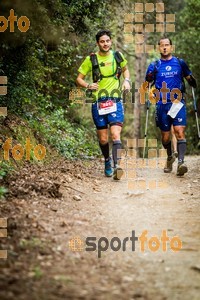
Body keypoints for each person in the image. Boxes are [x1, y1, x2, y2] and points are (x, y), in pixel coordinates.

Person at [76, 29, 131, 180]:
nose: (105, 44)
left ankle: (117, 166)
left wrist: (126, 81)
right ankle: (107, 161)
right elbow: (78, 78)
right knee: (103, 139)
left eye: (107, 41)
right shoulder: (91, 59)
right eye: (102, 41)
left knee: (115, 134)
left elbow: (126, 71)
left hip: (115, 100)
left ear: (111, 41)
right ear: (97, 43)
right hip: (98, 102)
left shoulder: (117, 56)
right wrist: (88, 85)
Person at [145, 37, 197, 176]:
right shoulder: (155, 65)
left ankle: (181, 162)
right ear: (159, 48)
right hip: (162, 104)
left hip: (178, 103)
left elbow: (189, 77)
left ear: (171, 47)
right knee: (166, 138)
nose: (165, 47)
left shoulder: (180, 63)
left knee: (179, 132)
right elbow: (148, 81)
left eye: (167, 45)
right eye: (162, 45)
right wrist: (149, 77)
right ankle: (169, 157)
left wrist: (192, 81)